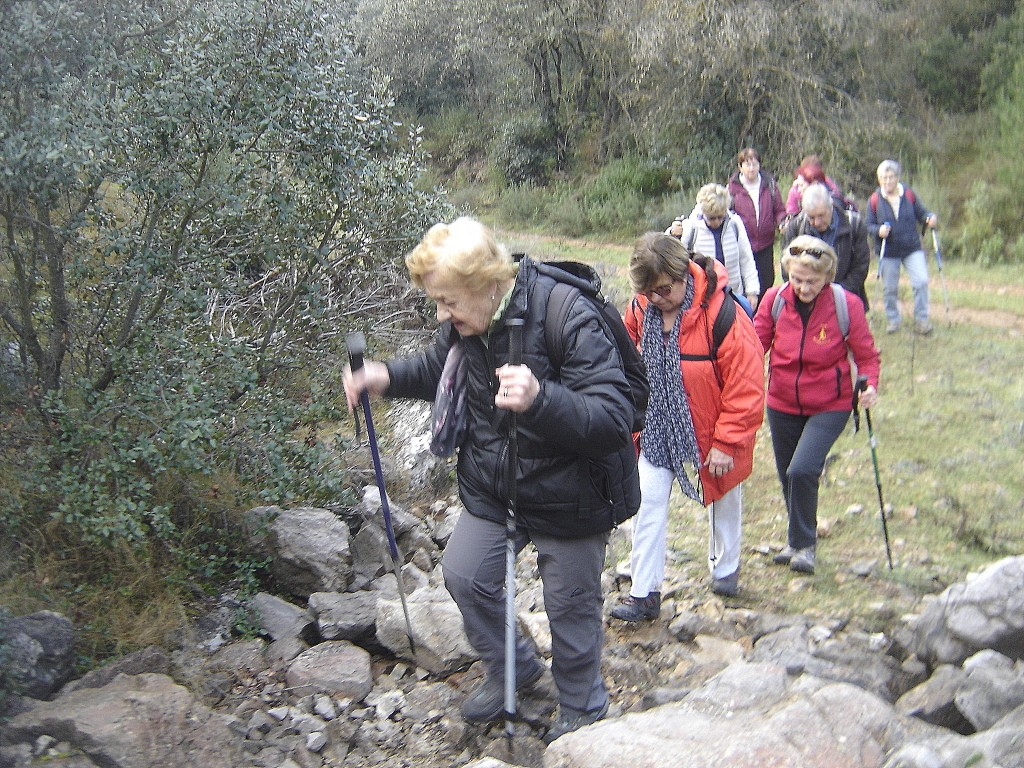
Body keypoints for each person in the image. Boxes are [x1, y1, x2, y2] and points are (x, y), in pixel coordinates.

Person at [343, 217, 640, 742]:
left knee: (569, 606)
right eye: (437, 301)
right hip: (496, 484)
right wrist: (383, 375)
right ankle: (516, 669)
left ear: (486, 285)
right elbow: (443, 365)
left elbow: (615, 417)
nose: (441, 313)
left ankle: (582, 711)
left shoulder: (563, 312)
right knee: (465, 575)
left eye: (448, 301)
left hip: (572, 491)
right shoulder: (469, 322)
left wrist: (542, 399)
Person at [609, 232, 764, 620]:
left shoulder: (723, 313)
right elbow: (624, 358)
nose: (655, 299)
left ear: (682, 274)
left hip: (712, 427)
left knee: (724, 495)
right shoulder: (641, 308)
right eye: (648, 292)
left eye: (662, 290)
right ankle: (645, 594)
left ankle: (726, 568)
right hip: (656, 424)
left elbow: (746, 384)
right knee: (647, 502)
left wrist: (727, 443)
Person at [754, 235, 881, 575]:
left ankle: (805, 545)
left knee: (803, 469)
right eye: (796, 279)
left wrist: (869, 386)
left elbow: (867, 356)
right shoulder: (774, 300)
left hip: (831, 403)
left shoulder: (846, 305)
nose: (803, 287)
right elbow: (755, 346)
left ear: (827, 276)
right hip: (781, 401)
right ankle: (796, 542)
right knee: (787, 476)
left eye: (811, 281)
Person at [865, 159, 939, 335]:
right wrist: (879, 230)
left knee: (921, 281)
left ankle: (921, 320)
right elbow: (868, 225)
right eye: (884, 177)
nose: (888, 181)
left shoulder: (909, 194)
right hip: (888, 251)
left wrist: (930, 218)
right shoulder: (874, 199)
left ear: (897, 177)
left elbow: (922, 214)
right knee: (889, 288)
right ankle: (893, 319)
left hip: (911, 247)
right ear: (879, 179)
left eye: (891, 177)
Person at [782, 182, 871, 308]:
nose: (817, 222)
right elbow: (787, 267)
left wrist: (836, 295)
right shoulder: (796, 227)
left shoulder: (853, 224)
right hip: (806, 302)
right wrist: (803, 292)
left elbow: (860, 266)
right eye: (811, 217)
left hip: (846, 300)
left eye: (821, 216)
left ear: (831, 207)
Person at [673, 184, 760, 308]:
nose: (717, 222)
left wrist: (752, 291)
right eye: (712, 218)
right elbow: (673, 254)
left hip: (734, 294)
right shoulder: (691, 227)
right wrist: (672, 232)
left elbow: (746, 259)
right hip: (704, 299)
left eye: (721, 217)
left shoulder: (735, 224)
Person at [728, 148, 787, 303]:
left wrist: (782, 222)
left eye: (754, 164)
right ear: (740, 167)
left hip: (766, 245)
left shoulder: (770, 185)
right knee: (746, 283)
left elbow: (779, 209)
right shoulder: (732, 189)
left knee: (766, 281)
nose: (751, 168)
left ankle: (764, 315)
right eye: (747, 165)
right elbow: (728, 216)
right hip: (743, 244)